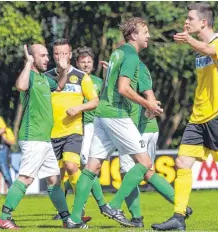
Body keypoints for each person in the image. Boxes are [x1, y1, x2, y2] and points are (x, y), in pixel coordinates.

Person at [151, 3, 218, 231]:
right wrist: (192, 42)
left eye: (190, 18)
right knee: (182, 162)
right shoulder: (199, 47)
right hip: (198, 117)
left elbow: (211, 51)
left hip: (217, 113)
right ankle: (178, 217)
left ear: (203, 22)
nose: (186, 22)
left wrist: (189, 40)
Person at [68, 17, 163, 228]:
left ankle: (74, 219)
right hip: (116, 114)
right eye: (145, 32)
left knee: (91, 167)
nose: (148, 36)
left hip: (101, 113)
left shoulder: (117, 52)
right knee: (145, 163)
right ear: (133, 35)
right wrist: (147, 103)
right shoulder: (130, 55)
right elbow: (123, 88)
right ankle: (115, 206)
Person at [0, 44, 81, 229]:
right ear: (33, 58)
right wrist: (28, 63)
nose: (47, 58)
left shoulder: (44, 78)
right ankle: (4, 217)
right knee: (26, 178)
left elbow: (59, 85)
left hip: (44, 139)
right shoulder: (31, 76)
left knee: (54, 179)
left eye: (46, 55)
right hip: (33, 137)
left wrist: (64, 70)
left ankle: (67, 219)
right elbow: (20, 86)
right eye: (42, 56)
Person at [118, 60, 193, 227]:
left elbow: (149, 94)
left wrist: (149, 109)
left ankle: (136, 218)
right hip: (147, 128)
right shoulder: (136, 66)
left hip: (139, 129)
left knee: (127, 172)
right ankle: (182, 207)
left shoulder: (135, 67)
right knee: (146, 172)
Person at [45, 39, 105, 222]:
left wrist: (78, 109)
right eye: (57, 53)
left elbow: (94, 101)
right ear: (53, 55)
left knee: (72, 166)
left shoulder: (81, 77)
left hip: (74, 129)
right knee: (54, 177)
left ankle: (79, 208)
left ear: (70, 55)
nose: (60, 57)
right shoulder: (46, 77)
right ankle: (65, 215)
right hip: (50, 132)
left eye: (64, 53)